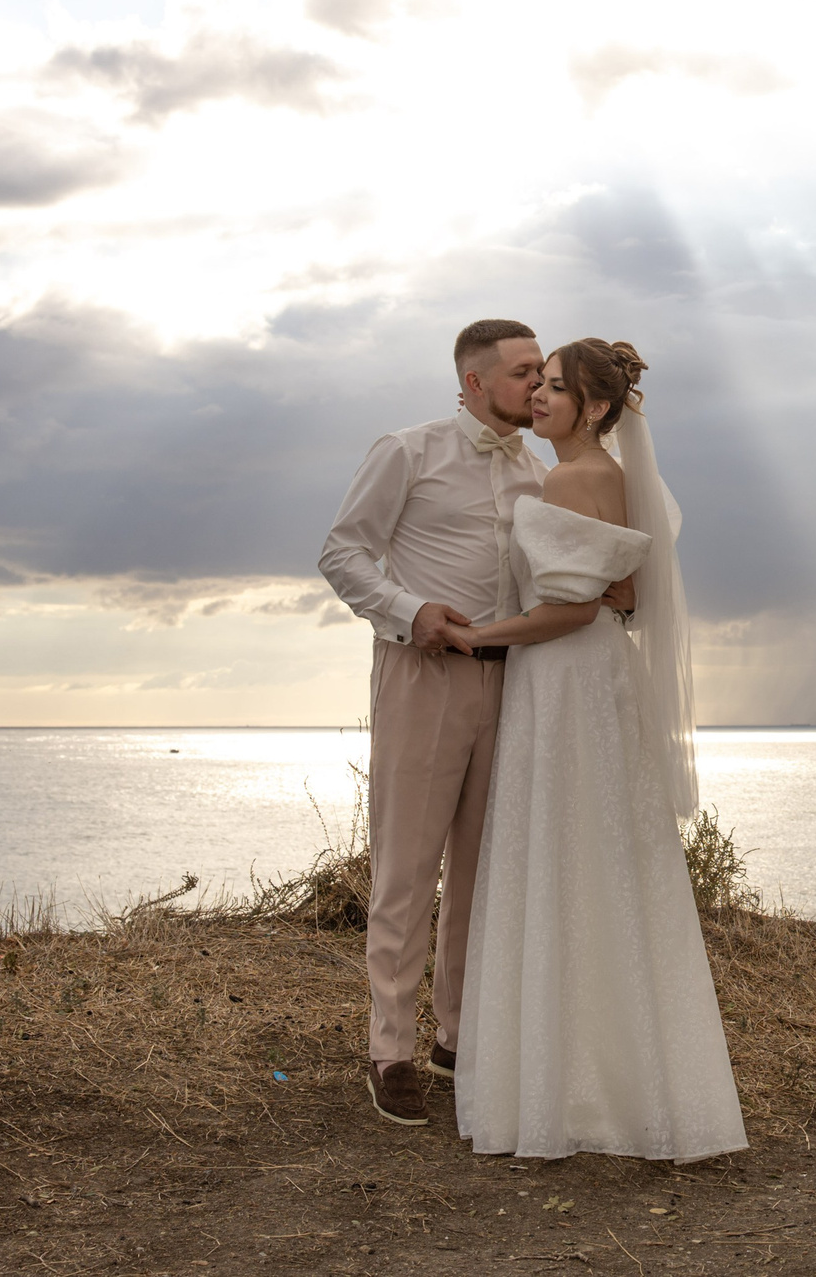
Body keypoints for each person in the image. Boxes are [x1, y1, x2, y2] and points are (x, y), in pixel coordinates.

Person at [444, 339, 747, 1162]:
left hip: (565, 677)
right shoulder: (616, 479)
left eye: (555, 389)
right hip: (592, 681)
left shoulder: (572, 478)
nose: (538, 398)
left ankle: (555, 1085)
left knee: (560, 858)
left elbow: (570, 611)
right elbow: (627, 594)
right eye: (536, 384)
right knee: (607, 862)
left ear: (599, 408)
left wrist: (475, 635)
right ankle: (623, 1081)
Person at [318, 318, 546, 1127]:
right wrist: (410, 611)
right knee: (408, 868)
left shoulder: (537, 470)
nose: (538, 382)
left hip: (512, 683)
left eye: (542, 369)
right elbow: (343, 553)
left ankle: (456, 1035)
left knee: (484, 870)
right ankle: (390, 1050)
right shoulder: (406, 450)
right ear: (476, 381)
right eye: (524, 371)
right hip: (421, 675)